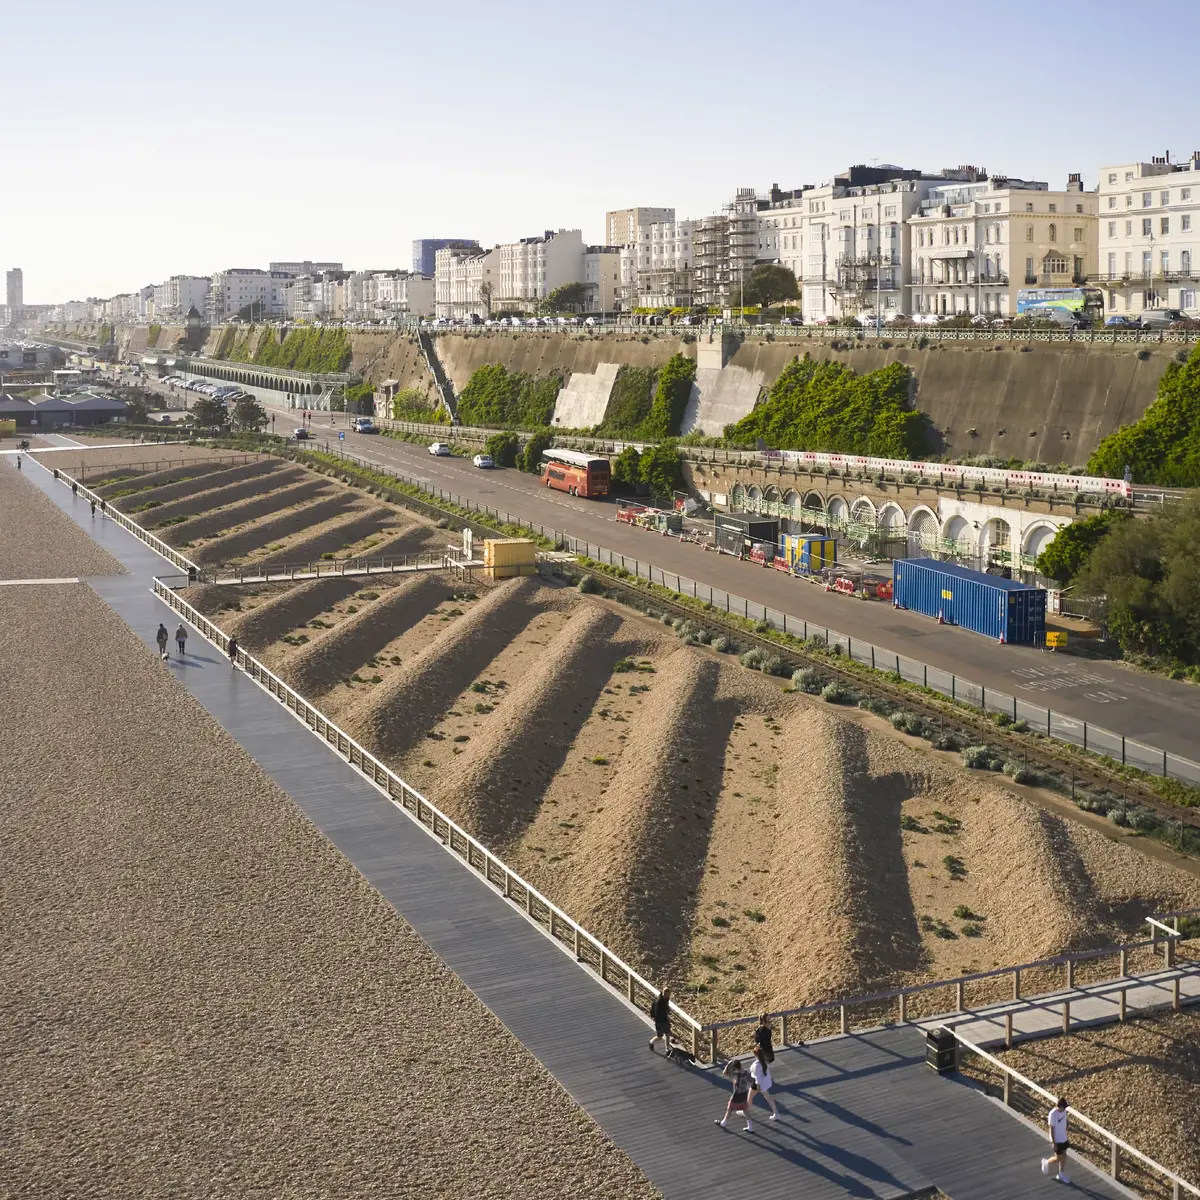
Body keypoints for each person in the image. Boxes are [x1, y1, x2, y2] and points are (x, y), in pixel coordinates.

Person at [714, 1057, 756, 1133]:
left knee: (729, 1109)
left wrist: (728, 1064)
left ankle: (723, 1123)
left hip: (736, 1095)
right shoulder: (745, 1072)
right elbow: (751, 1080)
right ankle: (750, 1126)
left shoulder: (736, 1075)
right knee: (745, 1110)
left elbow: (724, 1072)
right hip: (744, 1094)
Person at [1041, 1097, 1070, 1183]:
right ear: (1059, 1106)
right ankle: (1046, 1162)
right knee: (1059, 1158)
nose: (1065, 1108)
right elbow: (1052, 1128)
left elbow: (1065, 1121)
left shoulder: (1064, 1111)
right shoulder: (1052, 1114)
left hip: (1063, 1137)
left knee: (1064, 1157)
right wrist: (1054, 1142)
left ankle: (1061, 1174)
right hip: (1057, 1139)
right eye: (1063, 1107)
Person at [749, 1045, 779, 1120]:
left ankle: (746, 1111)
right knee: (768, 1097)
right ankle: (776, 1113)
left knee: (750, 1097)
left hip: (757, 1084)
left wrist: (758, 1088)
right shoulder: (765, 1062)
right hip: (765, 1083)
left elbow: (758, 1078)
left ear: (755, 1055)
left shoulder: (756, 1065)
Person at [648, 986, 673, 1059]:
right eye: (666, 994)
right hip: (660, 1022)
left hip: (664, 1020)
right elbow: (658, 1013)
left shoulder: (665, 1000)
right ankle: (651, 1042)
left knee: (667, 1034)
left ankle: (667, 1049)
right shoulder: (659, 1002)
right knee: (660, 1037)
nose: (667, 996)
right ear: (663, 993)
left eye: (668, 995)